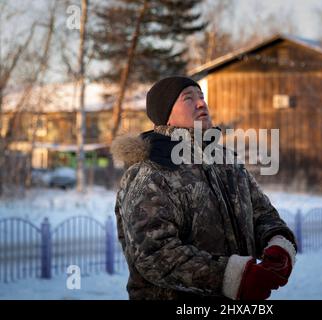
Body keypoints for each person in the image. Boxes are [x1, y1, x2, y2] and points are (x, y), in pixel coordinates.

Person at [111, 76, 297, 300]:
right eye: (188, 99)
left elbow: (262, 213)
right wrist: (234, 278)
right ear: (166, 117)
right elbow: (155, 254)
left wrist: (278, 245)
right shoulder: (150, 171)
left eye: (201, 97)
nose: (201, 103)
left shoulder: (226, 162)